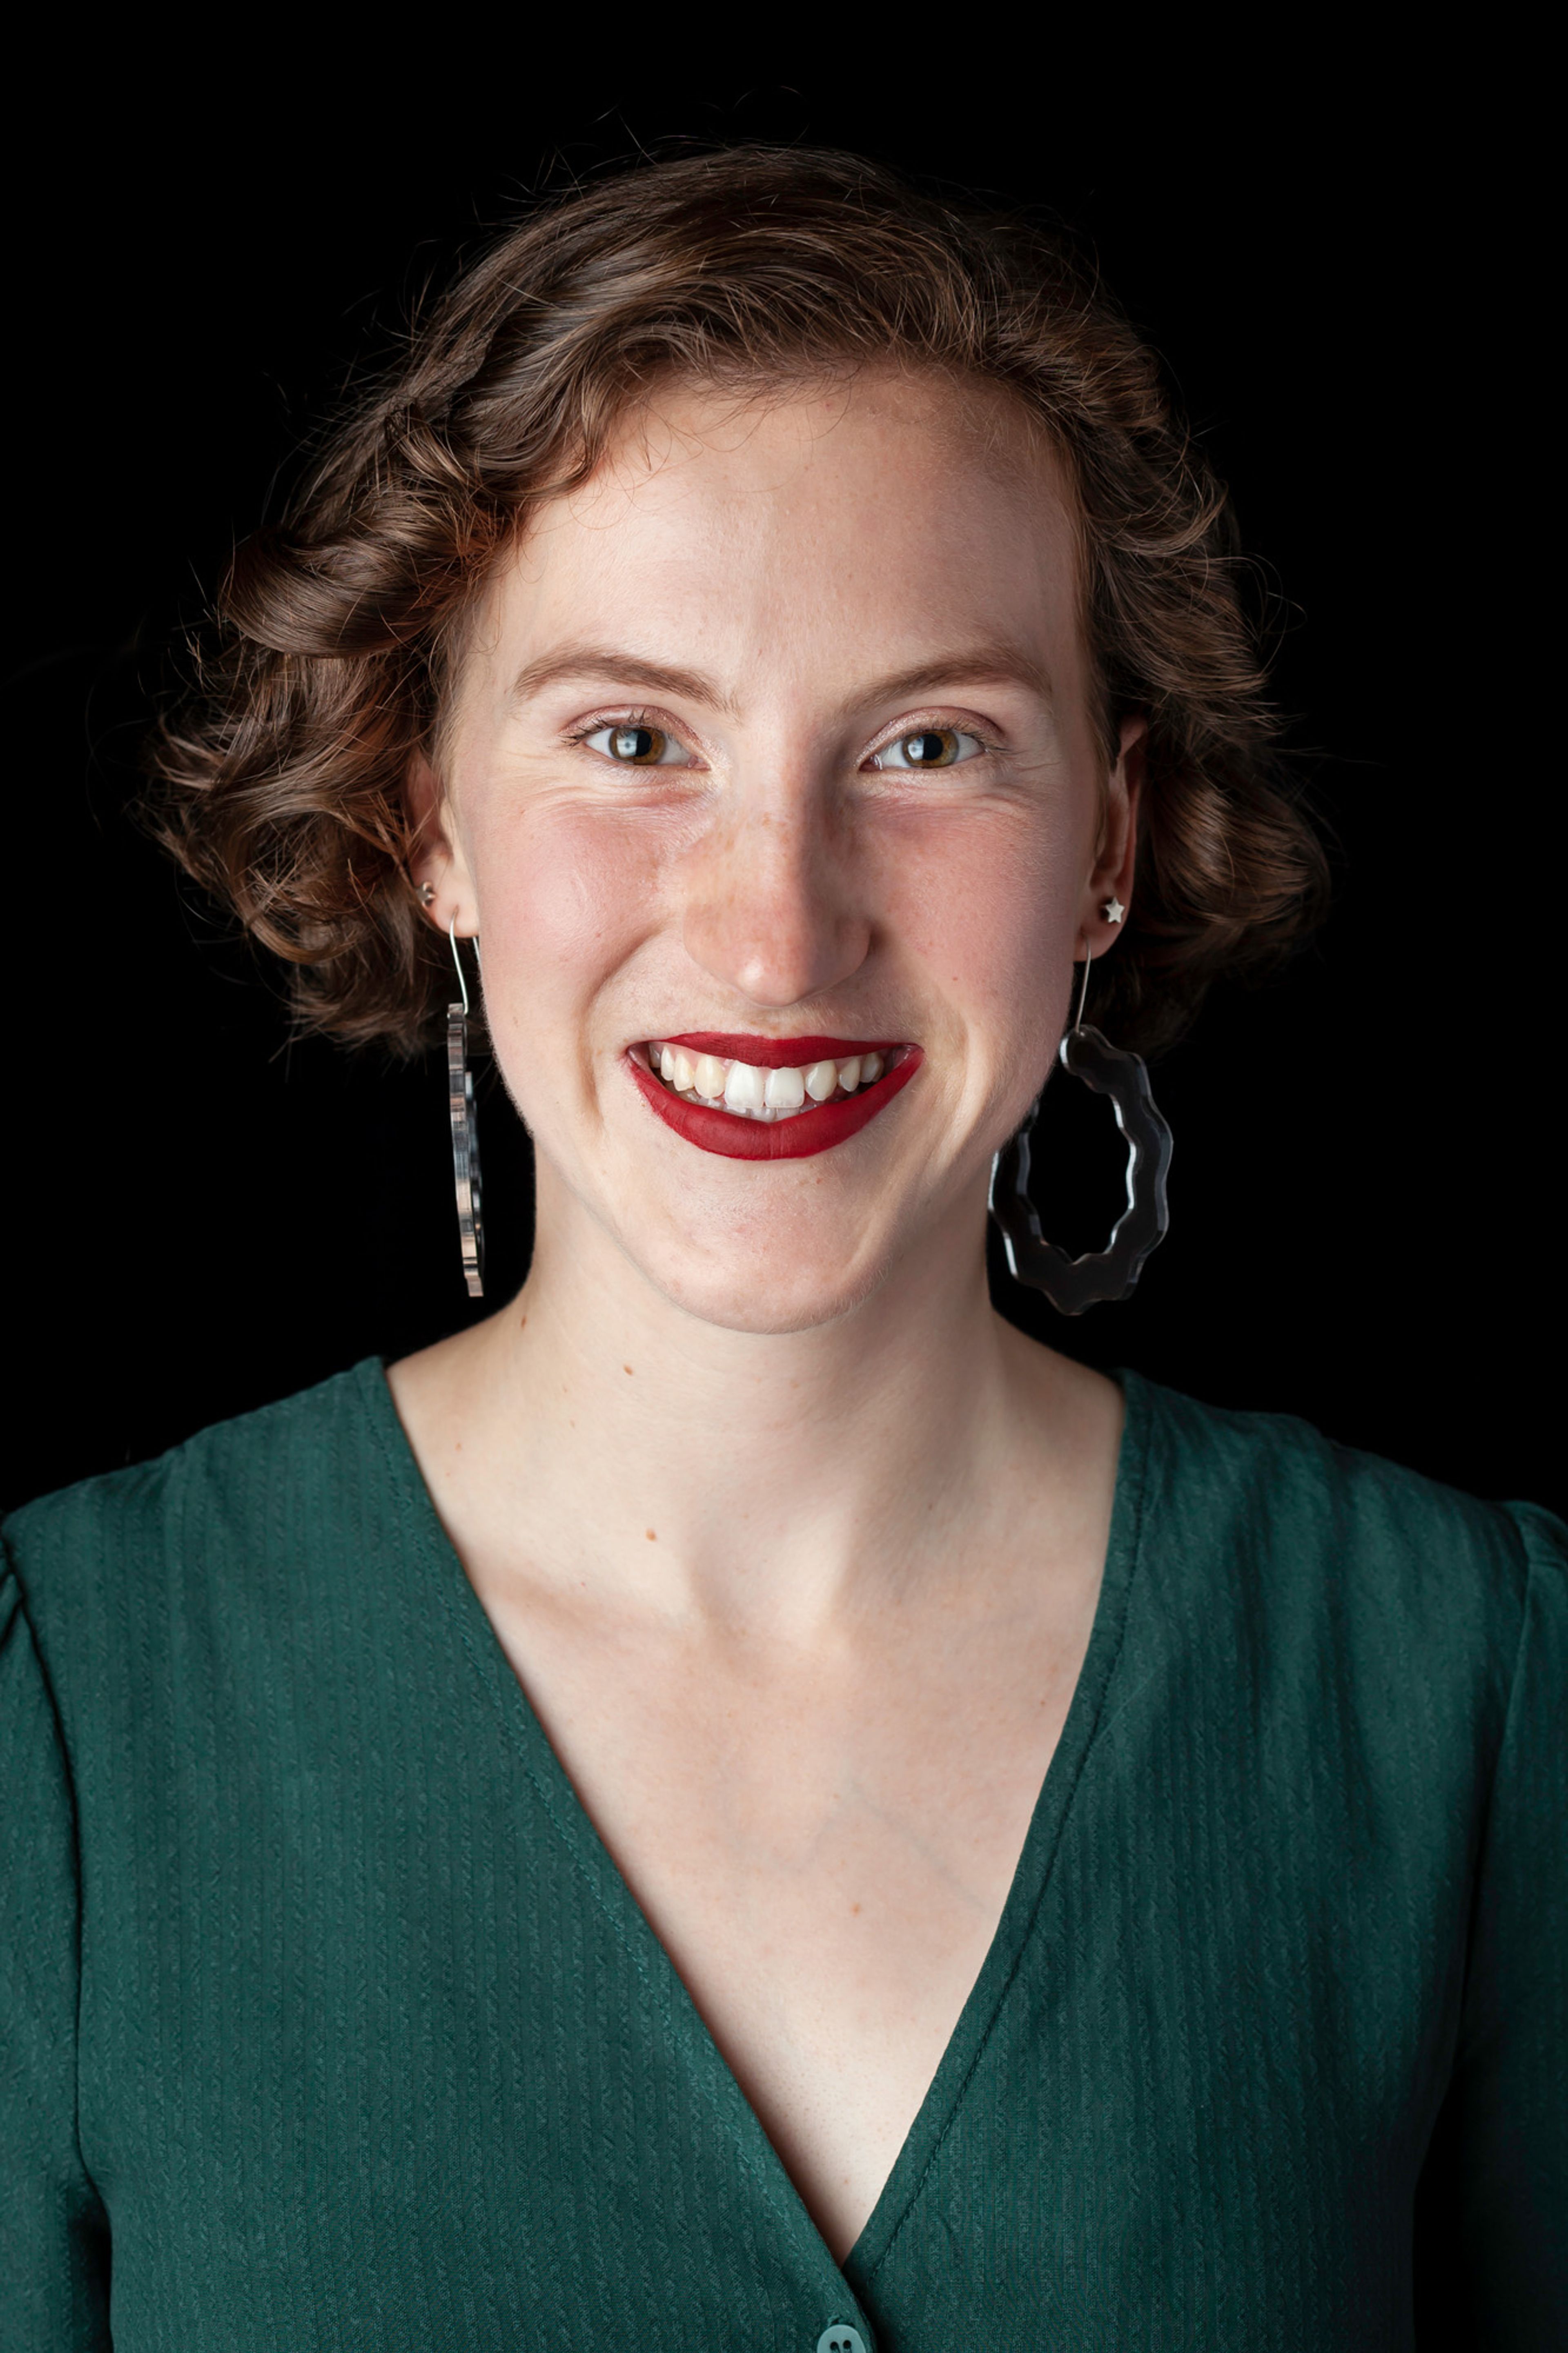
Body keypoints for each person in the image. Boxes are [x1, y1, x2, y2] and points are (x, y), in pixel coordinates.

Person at [2, 147, 1561, 2352]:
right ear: (426, 815)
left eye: (930, 745)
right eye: (634, 737)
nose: (778, 923)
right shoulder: (57, 1712)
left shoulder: (1475, 1683)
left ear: (1107, 843)